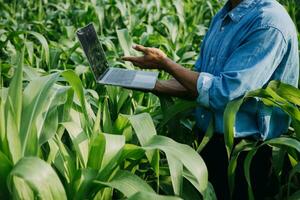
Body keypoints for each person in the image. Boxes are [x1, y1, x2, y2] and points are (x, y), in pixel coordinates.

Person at [122, 0, 299, 199]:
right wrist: (150, 84)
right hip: (210, 142)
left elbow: (224, 92)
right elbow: (199, 83)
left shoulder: (269, 22)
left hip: (247, 154)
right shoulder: (224, 14)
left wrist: (166, 64)